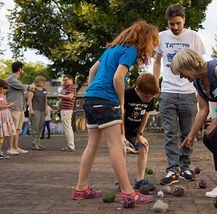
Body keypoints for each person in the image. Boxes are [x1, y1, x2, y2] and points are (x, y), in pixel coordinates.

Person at [73, 20, 159, 205]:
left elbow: (92, 70)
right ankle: (128, 192)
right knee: (116, 145)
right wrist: (120, 103)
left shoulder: (112, 49)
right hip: (106, 100)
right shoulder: (130, 50)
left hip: (90, 98)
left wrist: (92, 91)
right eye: (152, 42)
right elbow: (118, 77)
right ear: (145, 39)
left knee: (92, 145)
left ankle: (81, 188)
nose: (152, 47)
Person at [172, 48, 217, 198]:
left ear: (189, 65)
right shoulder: (198, 82)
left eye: (181, 72)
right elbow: (203, 110)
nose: (181, 76)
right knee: (207, 138)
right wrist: (190, 136)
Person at [153, 3, 206, 185]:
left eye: (178, 23)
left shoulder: (194, 36)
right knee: (170, 133)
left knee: (187, 133)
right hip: (167, 90)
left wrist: (201, 88)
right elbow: (158, 61)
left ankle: (184, 167)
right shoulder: (161, 37)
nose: (175, 27)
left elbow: (200, 63)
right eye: (171, 24)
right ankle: (172, 170)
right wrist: (155, 83)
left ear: (184, 20)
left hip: (188, 92)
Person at [122, 73, 160, 191]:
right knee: (121, 150)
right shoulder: (127, 94)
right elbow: (121, 115)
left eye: (150, 97)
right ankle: (122, 181)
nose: (148, 99)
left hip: (135, 132)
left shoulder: (150, 99)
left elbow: (145, 116)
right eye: (145, 96)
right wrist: (122, 136)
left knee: (143, 147)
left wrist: (140, 135)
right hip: (121, 130)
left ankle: (140, 180)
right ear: (137, 89)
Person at [6, 61, 29, 155]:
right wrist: (31, 86)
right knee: (12, 128)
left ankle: (16, 147)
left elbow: (23, 92)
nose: (23, 71)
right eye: (23, 69)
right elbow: (22, 87)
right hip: (14, 107)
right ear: (19, 69)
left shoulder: (17, 80)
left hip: (20, 107)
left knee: (18, 128)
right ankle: (10, 148)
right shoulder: (11, 79)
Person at [28, 76, 47, 150]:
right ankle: (34, 143)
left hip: (42, 110)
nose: (44, 83)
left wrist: (46, 109)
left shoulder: (44, 90)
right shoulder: (33, 89)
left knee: (40, 128)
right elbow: (29, 99)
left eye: (44, 81)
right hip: (35, 110)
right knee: (35, 128)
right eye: (42, 81)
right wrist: (31, 109)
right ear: (38, 81)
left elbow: (45, 100)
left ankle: (38, 143)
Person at [59, 74, 76, 151]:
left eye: (66, 80)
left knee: (67, 128)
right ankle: (70, 145)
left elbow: (70, 97)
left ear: (71, 80)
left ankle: (71, 146)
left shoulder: (71, 87)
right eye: (64, 80)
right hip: (65, 110)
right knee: (68, 127)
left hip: (66, 110)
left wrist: (61, 95)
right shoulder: (68, 87)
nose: (64, 81)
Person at [0, 79, 16, 159]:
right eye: (3, 88)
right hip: (1, 115)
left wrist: (8, 105)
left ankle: (0, 151)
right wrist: (8, 105)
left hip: (5, 115)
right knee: (0, 135)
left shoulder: (3, 95)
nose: (4, 90)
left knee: (2, 135)